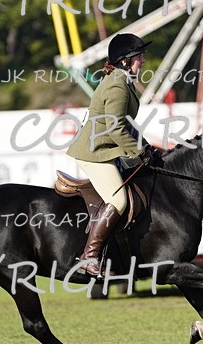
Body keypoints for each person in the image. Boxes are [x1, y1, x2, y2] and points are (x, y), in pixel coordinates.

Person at [66, 33, 159, 276]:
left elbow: (127, 125)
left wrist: (147, 148)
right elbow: (115, 127)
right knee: (119, 200)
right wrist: (139, 151)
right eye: (139, 57)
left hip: (107, 149)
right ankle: (89, 258)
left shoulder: (122, 81)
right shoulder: (117, 85)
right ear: (125, 61)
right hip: (95, 153)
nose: (143, 61)